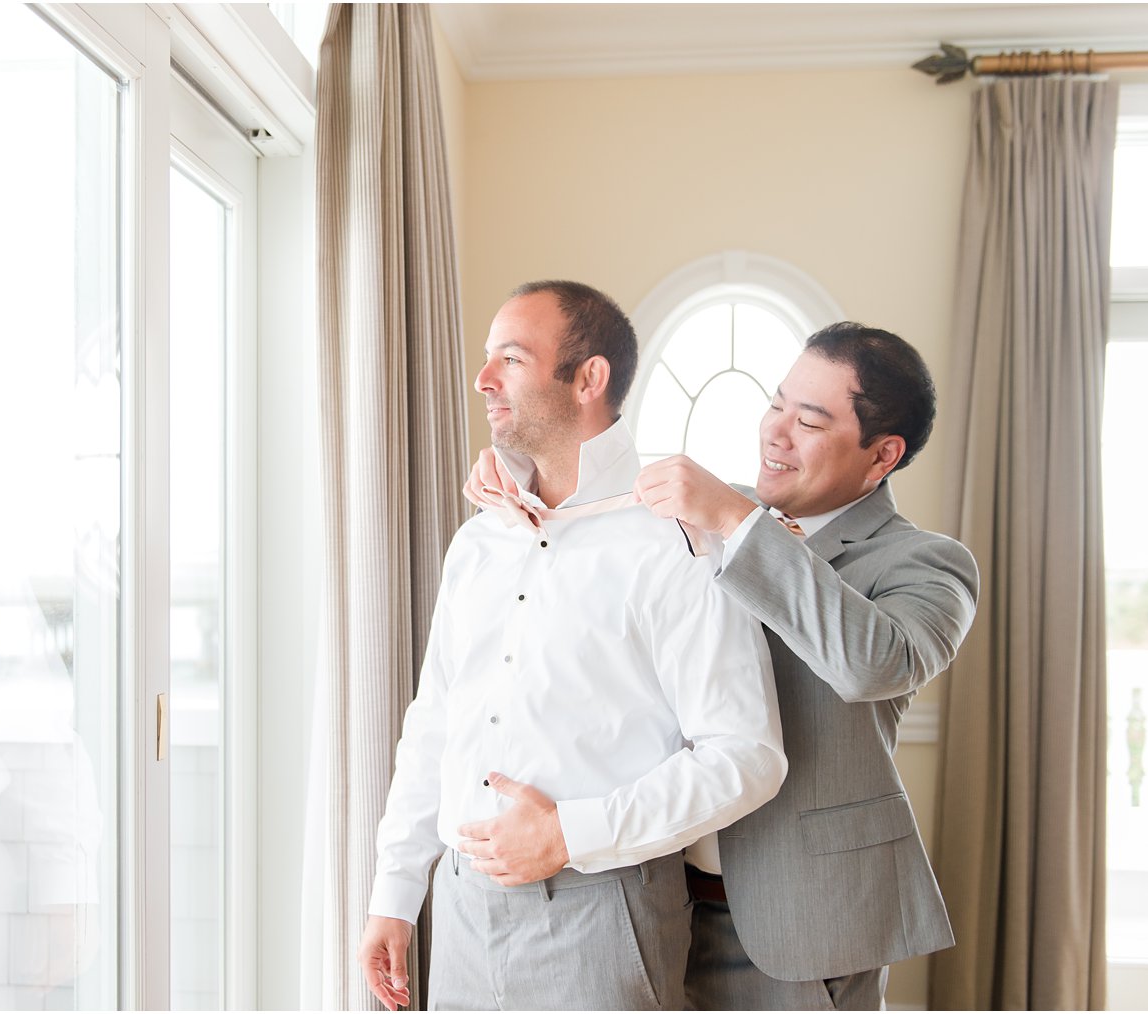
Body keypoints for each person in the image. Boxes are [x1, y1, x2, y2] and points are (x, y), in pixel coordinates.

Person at [467, 320, 980, 1010]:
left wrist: (741, 521)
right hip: (654, 901)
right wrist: (523, 477)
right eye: (776, 403)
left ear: (882, 454)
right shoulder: (708, 515)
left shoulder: (926, 564)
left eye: (809, 420)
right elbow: (597, 512)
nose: (775, 431)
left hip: (801, 924)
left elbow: (872, 664)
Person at [358, 280, 787, 1011]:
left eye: (513, 359)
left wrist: (569, 836)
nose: (482, 378)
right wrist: (395, 893)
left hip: (602, 916)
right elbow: (435, 721)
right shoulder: (479, 541)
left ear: (590, 378)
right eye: (488, 357)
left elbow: (747, 756)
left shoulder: (673, 545)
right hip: (460, 916)